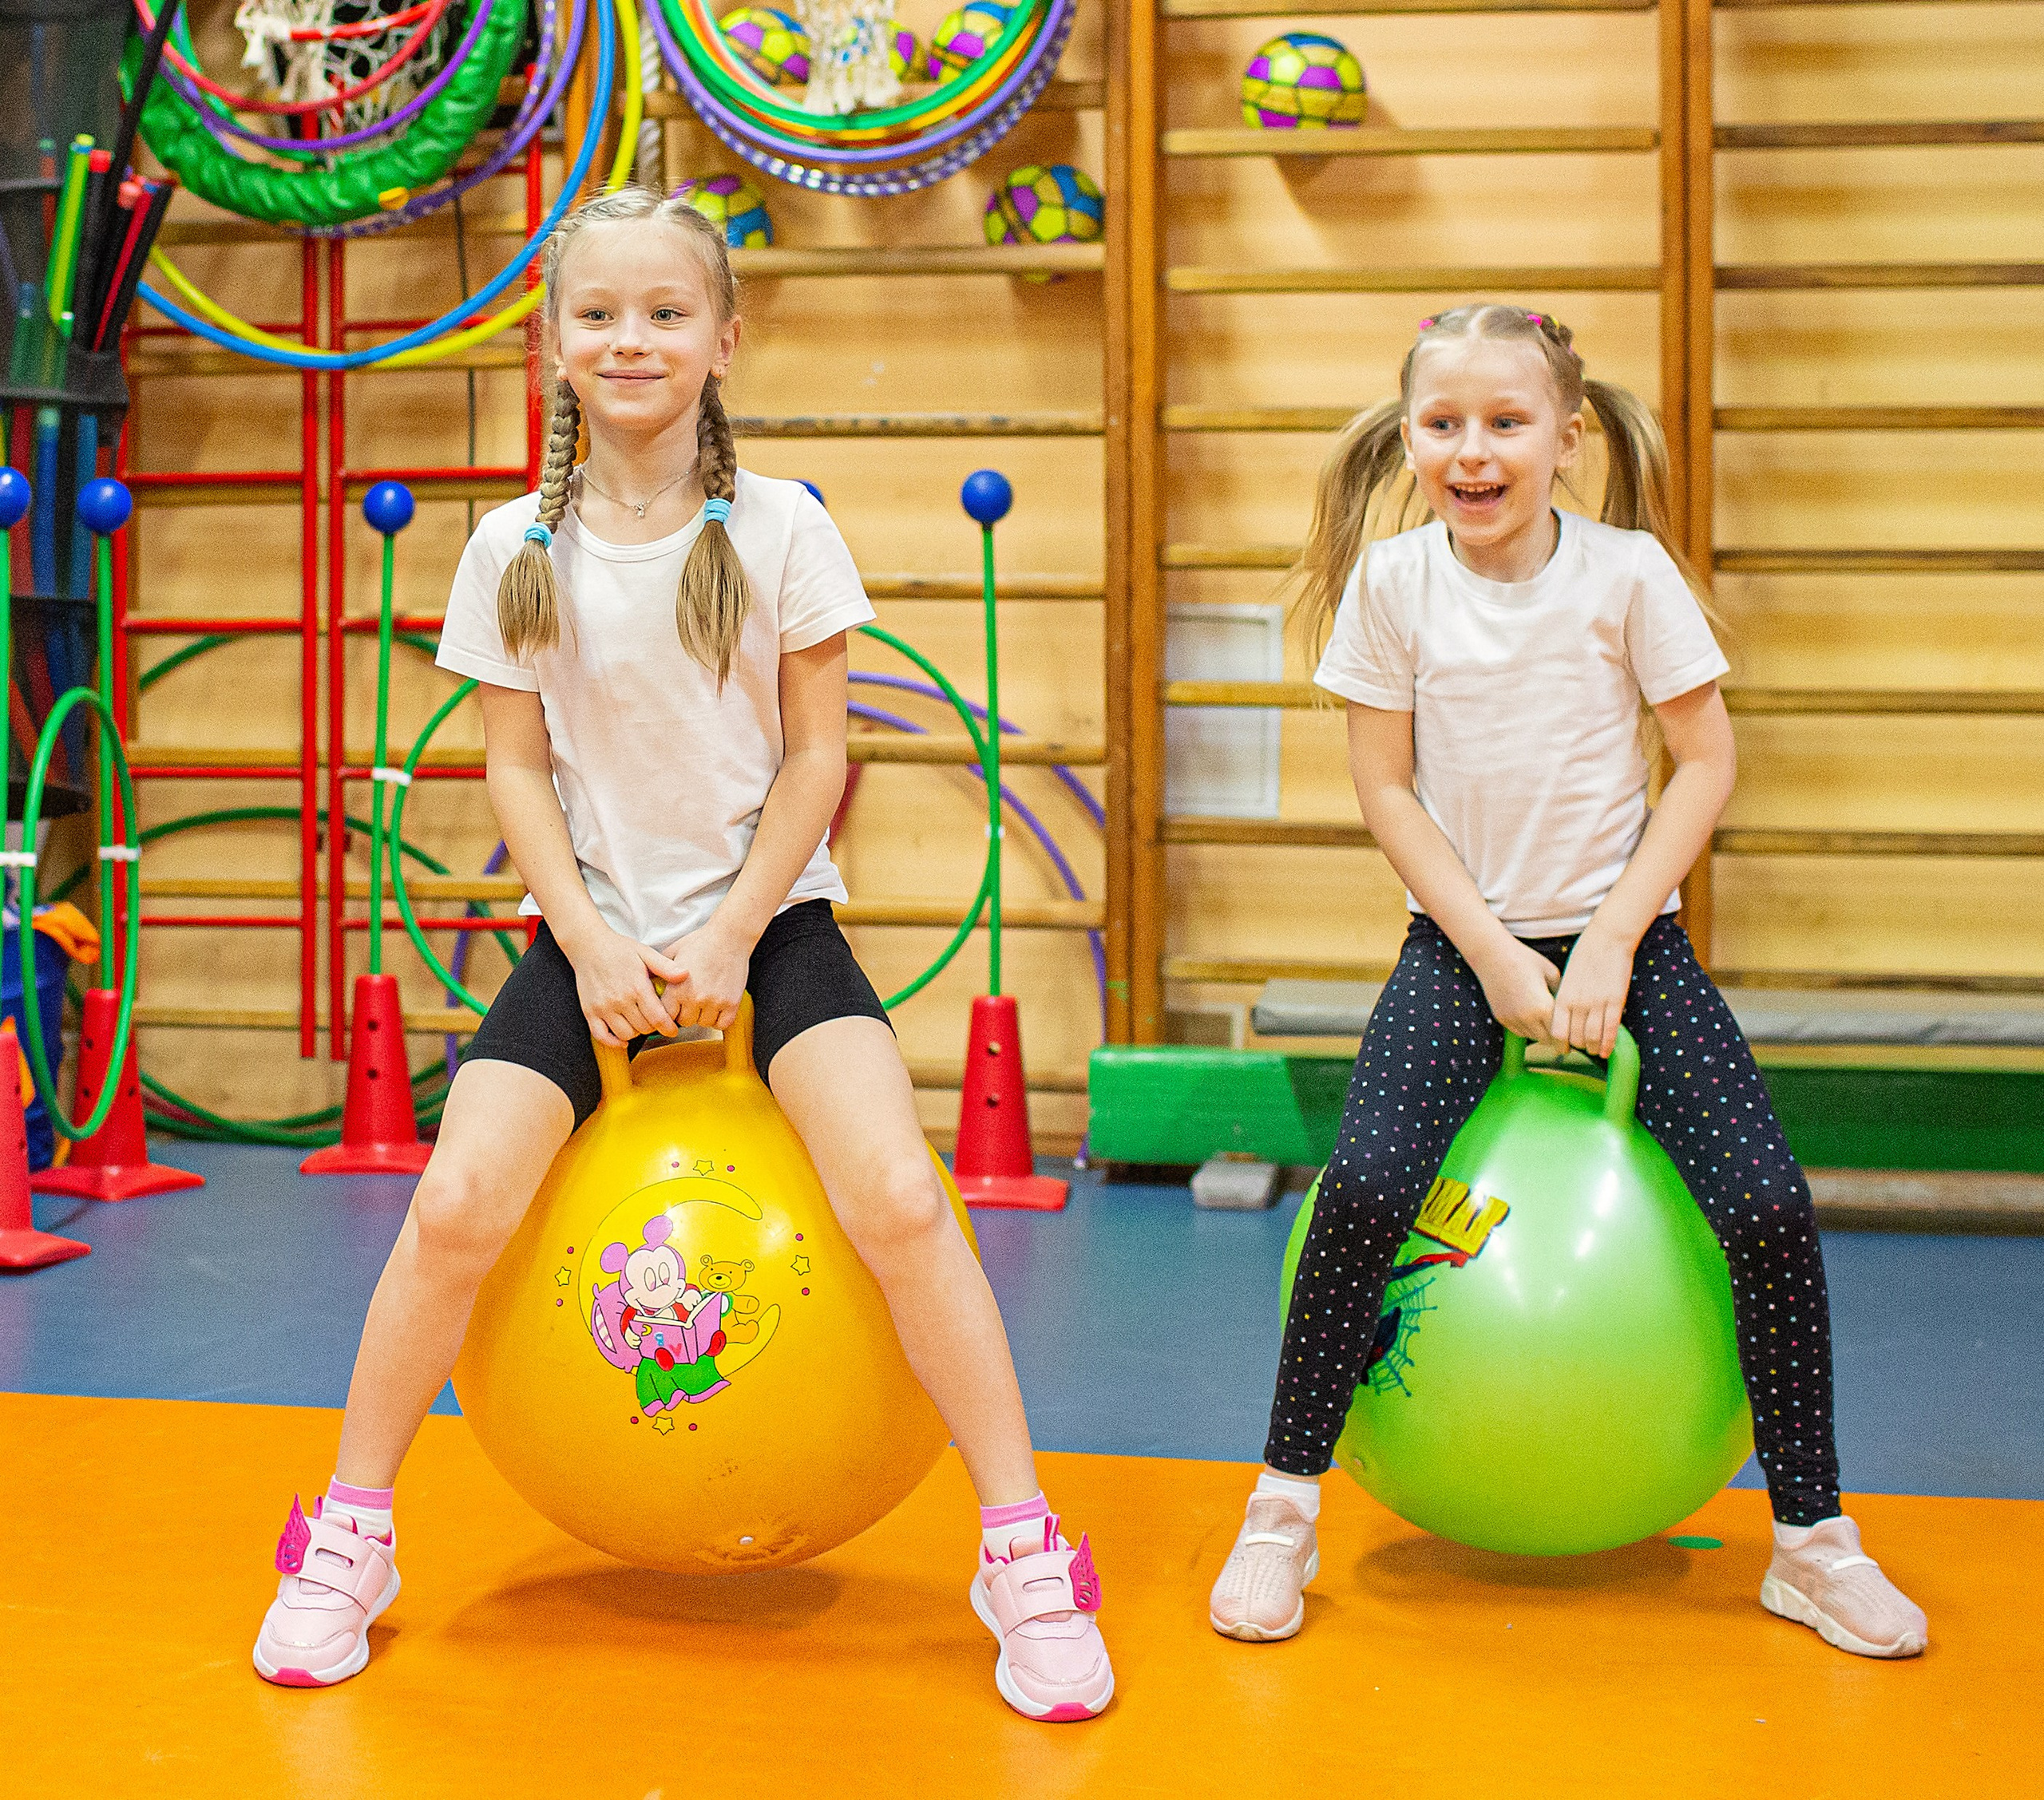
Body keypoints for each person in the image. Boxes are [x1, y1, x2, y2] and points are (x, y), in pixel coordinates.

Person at [252, 187, 1112, 1722]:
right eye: (597, 315)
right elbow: (515, 772)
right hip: (586, 938)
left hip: (768, 927)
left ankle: (1022, 1545)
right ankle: (351, 1537)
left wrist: (726, 933)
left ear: (725, 338)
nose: (629, 339)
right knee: (453, 1202)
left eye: (665, 313)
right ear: (555, 347)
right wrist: (587, 944)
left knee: (906, 1198)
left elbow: (813, 760)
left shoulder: (784, 526)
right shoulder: (511, 544)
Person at [1206, 303, 1927, 1661]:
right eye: (1443, 425)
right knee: (1362, 1190)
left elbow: (1703, 764)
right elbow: (1385, 789)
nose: (1471, 452)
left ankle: (1816, 1540)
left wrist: (1605, 942)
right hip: (1455, 945)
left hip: (1629, 949)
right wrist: (1488, 952)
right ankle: (1282, 1506)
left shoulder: (1628, 575)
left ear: (1566, 435)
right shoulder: (1395, 585)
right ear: (1409, 435)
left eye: (1505, 422)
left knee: (1769, 1207)